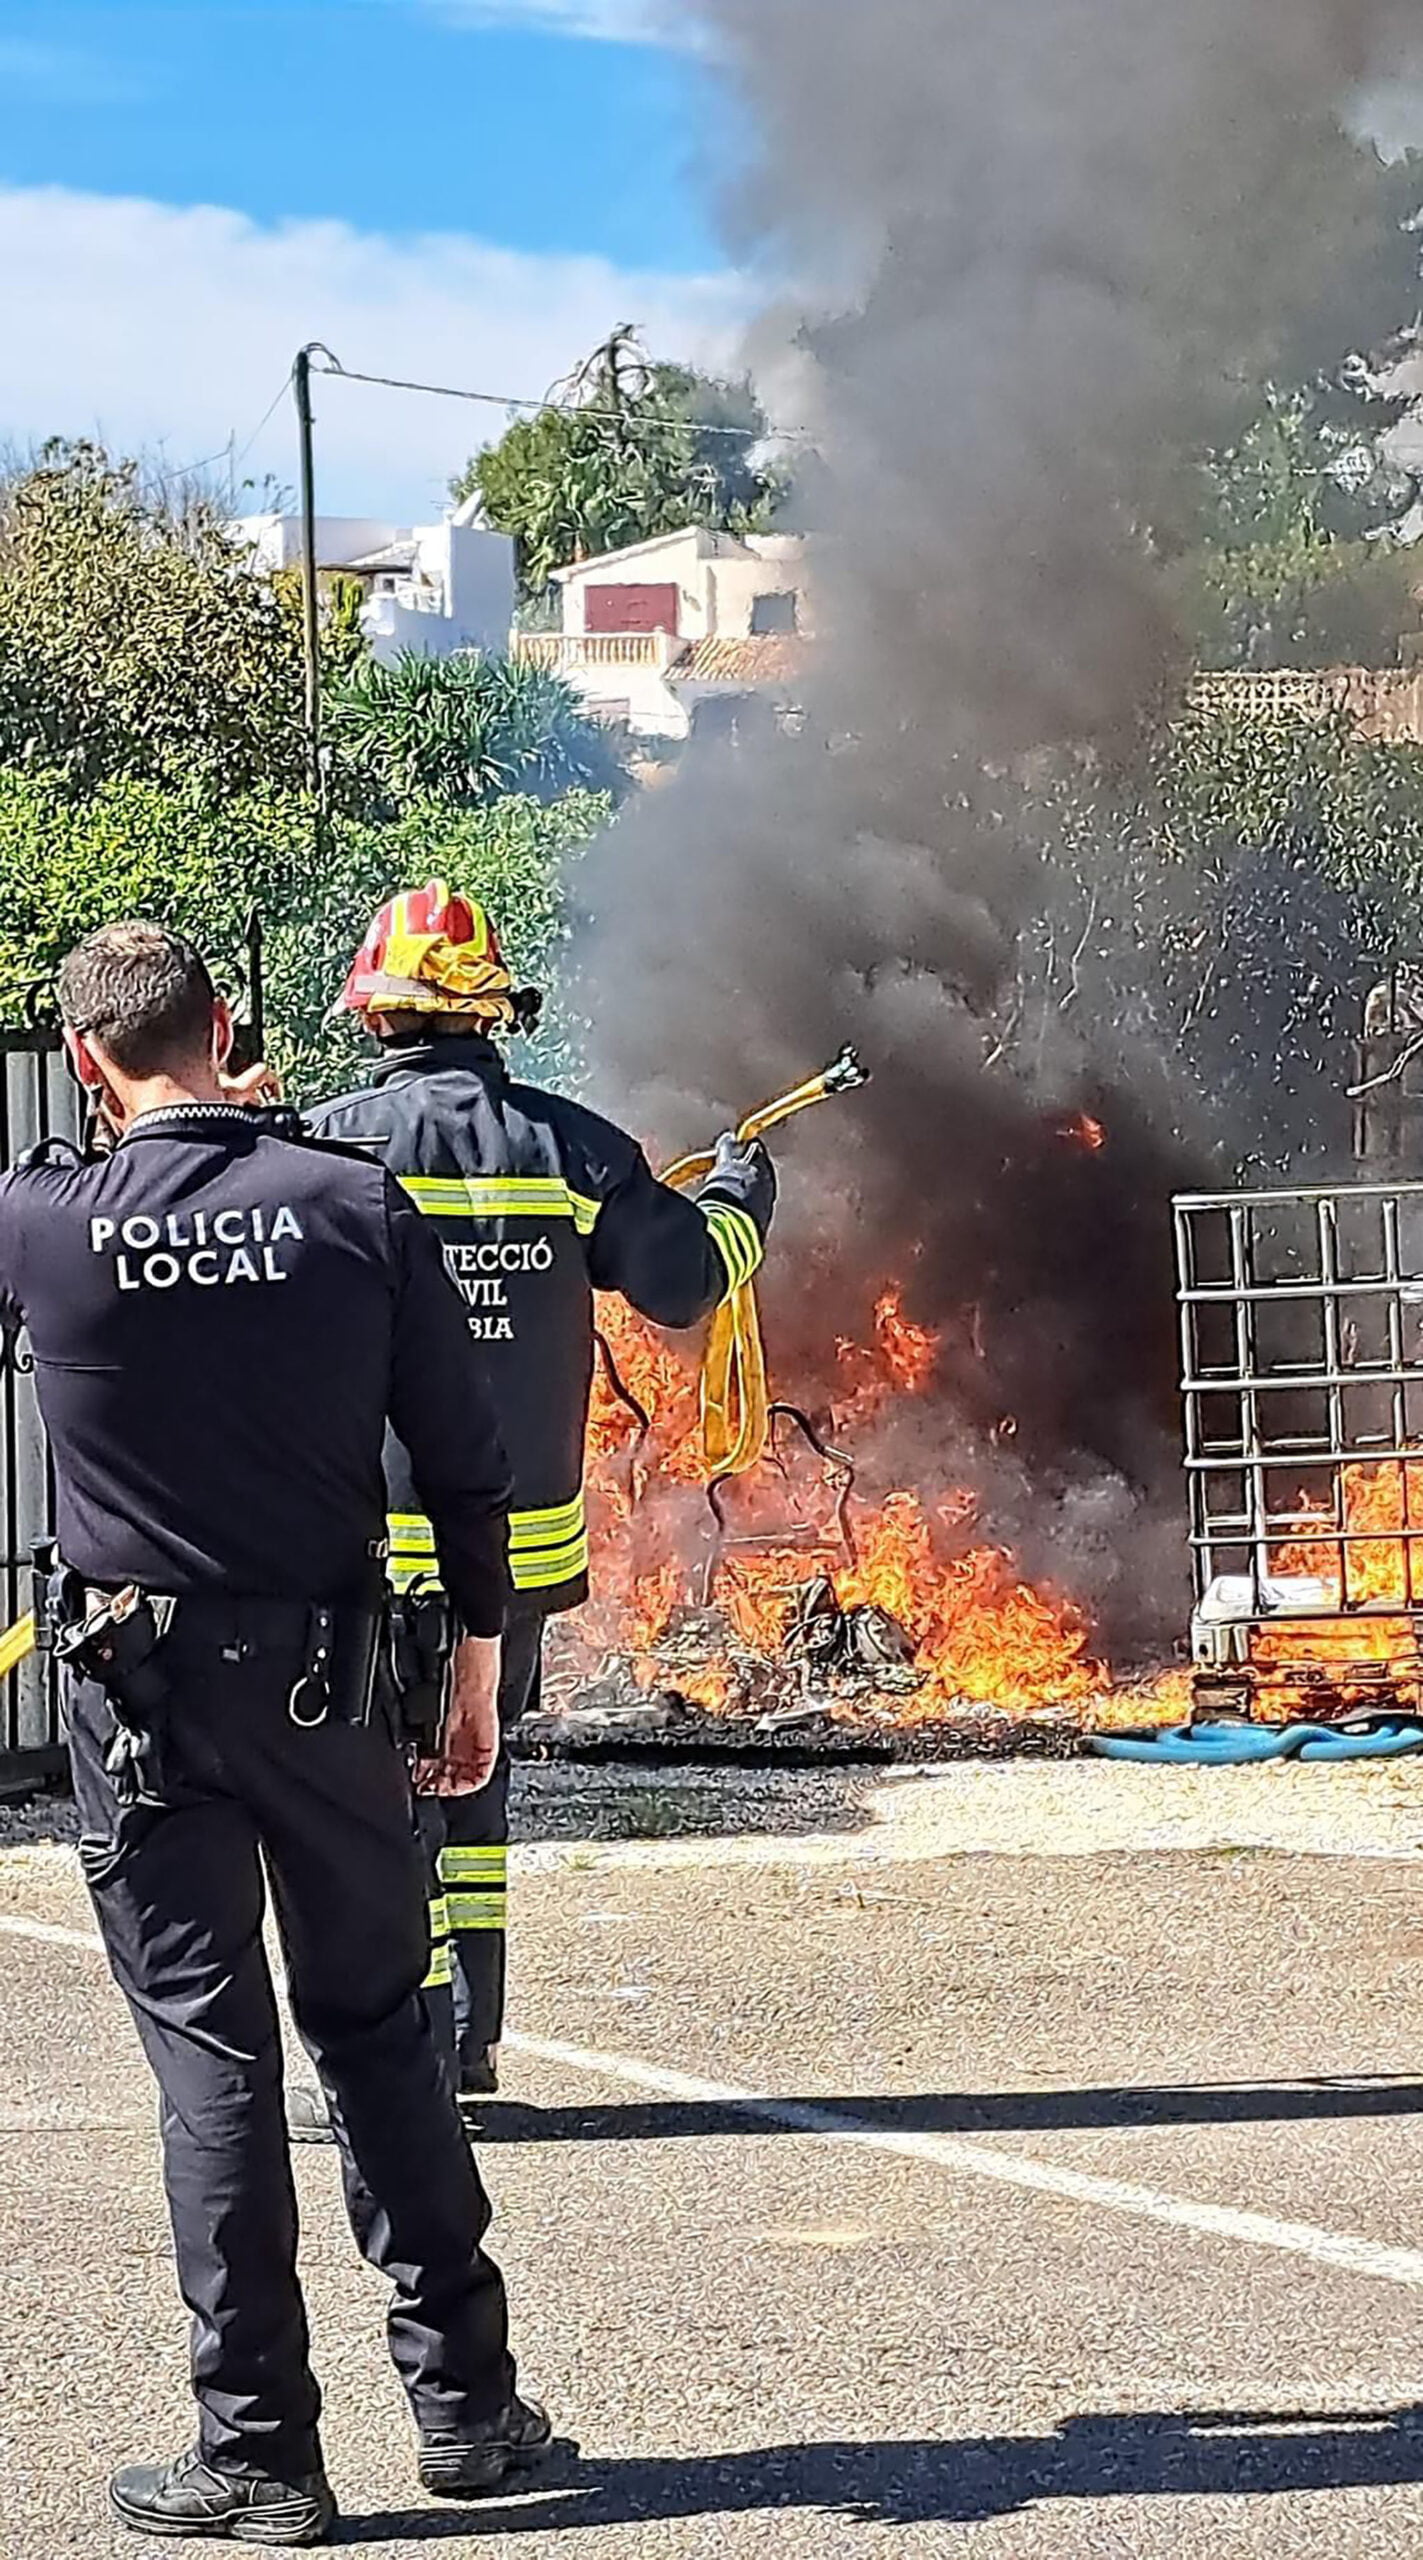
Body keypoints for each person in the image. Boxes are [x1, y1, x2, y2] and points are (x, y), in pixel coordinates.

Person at [0, 921, 549, 2545]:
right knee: (382, 2032)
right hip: (334, 1687)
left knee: (214, 2059)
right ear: (230, 1023)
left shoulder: (43, 1221)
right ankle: (466, 2408)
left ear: (89, 1063)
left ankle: (258, 2456)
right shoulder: (348, 1204)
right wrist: (469, 1675)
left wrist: (158, 1135)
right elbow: (465, 1466)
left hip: (143, 1704)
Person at [299, 881, 776, 2102]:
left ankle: (399, 2026)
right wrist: (741, 1196)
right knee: (474, 1771)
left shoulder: (323, 1148)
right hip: (507, 1558)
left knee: (367, 1788)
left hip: (358, 1545)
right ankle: (471, 2036)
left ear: (379, 1015)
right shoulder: (575, 1150)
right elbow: (688, 1282)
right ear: (489, 1012)